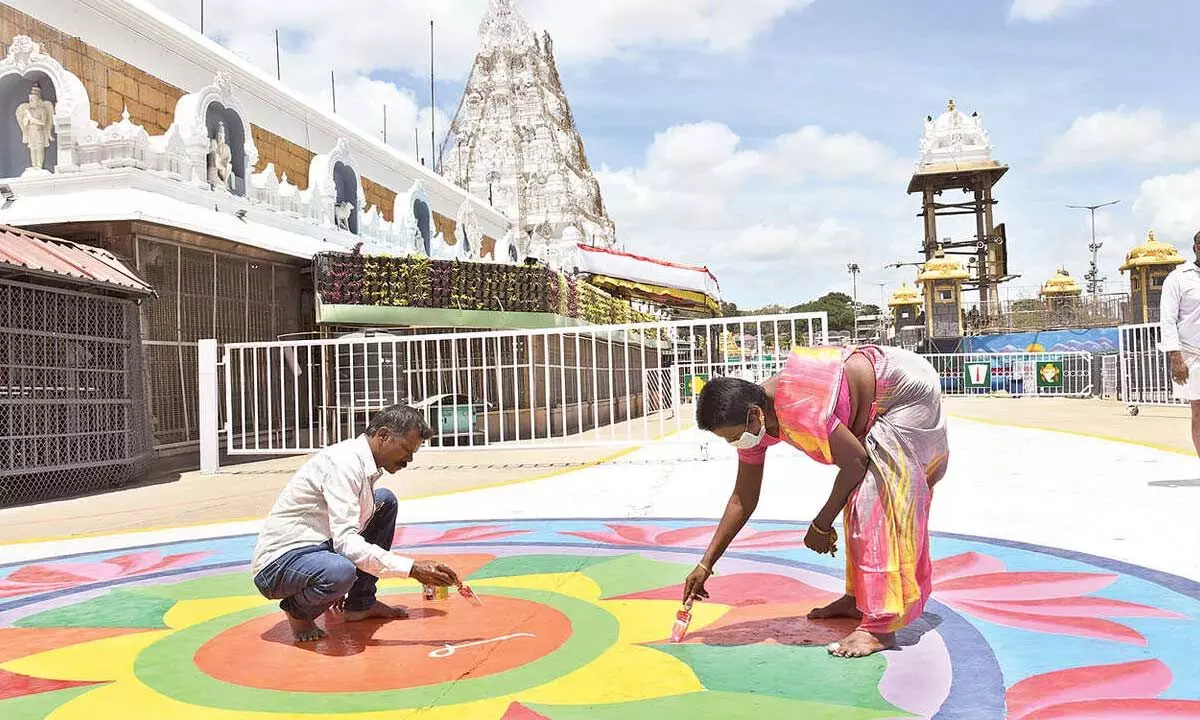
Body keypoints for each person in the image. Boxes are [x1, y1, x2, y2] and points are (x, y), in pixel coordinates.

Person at [683, 344, 949, 658]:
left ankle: (880, 627)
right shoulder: (756, 420)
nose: (734, 443)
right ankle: (857, 599)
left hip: (905, 389)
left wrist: (821, 524)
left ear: (754, 415)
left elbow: (855, 462)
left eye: (732, 436)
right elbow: (743, 498)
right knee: (857, 503)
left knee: (872, 504)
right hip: (874, 388)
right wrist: (705, 564)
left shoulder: (797, 406)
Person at [251, 405, 461, 642]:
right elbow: (346, 543)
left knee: (384, 502)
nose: (409, 460)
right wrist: (412, 569)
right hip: (280, 563)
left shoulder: (363, 464)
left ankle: (361, 603)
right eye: (405, 450)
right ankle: (298, 612)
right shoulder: (344, 463)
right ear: (383, 436)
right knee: (339, 572)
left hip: (319, 545)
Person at [1160, 230, 1200, 457]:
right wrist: (1175, 357)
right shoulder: (1179, 278)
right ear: (1195, 248)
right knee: (1198, 410)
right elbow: (1168, 320)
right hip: (1192, 354)